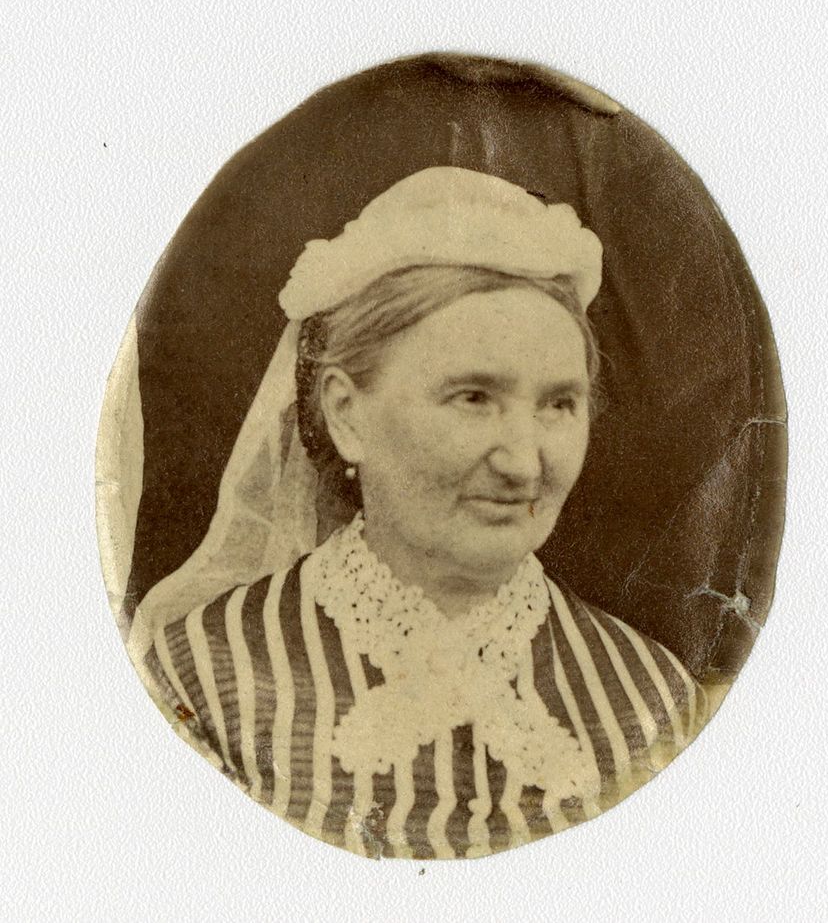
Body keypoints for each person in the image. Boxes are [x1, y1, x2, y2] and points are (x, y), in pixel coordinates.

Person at [131, 167, 709, 859]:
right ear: (346, 414)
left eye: (560, 403)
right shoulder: (197, 677)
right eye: (472, 397)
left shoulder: (651, 693)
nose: (525, 464)